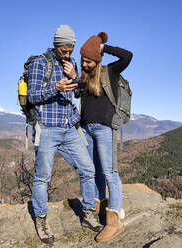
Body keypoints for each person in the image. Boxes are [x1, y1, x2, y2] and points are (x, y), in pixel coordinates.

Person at [27, 25, 103, 244]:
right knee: (43, 177)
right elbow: (32, 96)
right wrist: (56, 88)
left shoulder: (71, 63)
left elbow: (78, 93)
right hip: (48, 128)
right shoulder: (39, 63)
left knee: (88, 170)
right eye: (64, 50)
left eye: (71, 50)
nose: (68, 54)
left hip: (69, 127)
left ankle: (89, 213)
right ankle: (41, 219)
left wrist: (76, 77)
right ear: (56, 45)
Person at [79, 32, 133, 242]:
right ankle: (101, 207)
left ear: (97, 60)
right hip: (86, 130)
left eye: (88, 60)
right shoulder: (84, 77)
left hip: (103, 129)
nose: (84, 64)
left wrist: (104, 48)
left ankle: (114, 222)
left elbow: (127, 56)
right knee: (94, 171)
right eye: (83, 60)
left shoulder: (110, 72)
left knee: (110, 173)